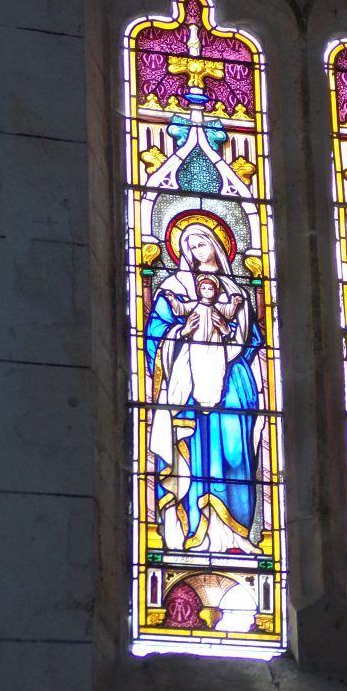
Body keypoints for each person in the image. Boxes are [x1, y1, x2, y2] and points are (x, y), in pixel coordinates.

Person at [146, 222, 261, 554]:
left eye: (201, 244)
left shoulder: (234, 290)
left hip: (233, 382)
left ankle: (236, 535)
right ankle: (197, 534)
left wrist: (228, 337)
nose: (195, 251)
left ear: (216, 245)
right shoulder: (174, 286)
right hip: (189, 382)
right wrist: (183, 335)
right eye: (189, 246)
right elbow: (155, 336)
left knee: (236, 453)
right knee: (196, 454)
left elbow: (252, 340)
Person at [165, 275, 244, 409]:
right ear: (198, 290)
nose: (207, 291)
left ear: (216, 292)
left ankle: (213, 398)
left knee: (216, 371)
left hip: (216, 346)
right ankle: (201, 398)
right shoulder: (195, 305)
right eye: (203, 288)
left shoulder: (218, 307)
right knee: (199, 370)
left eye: (210, 289)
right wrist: (173, 300)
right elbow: (181, 309)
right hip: (198, 346)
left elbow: (229, 312)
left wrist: (234, 304)